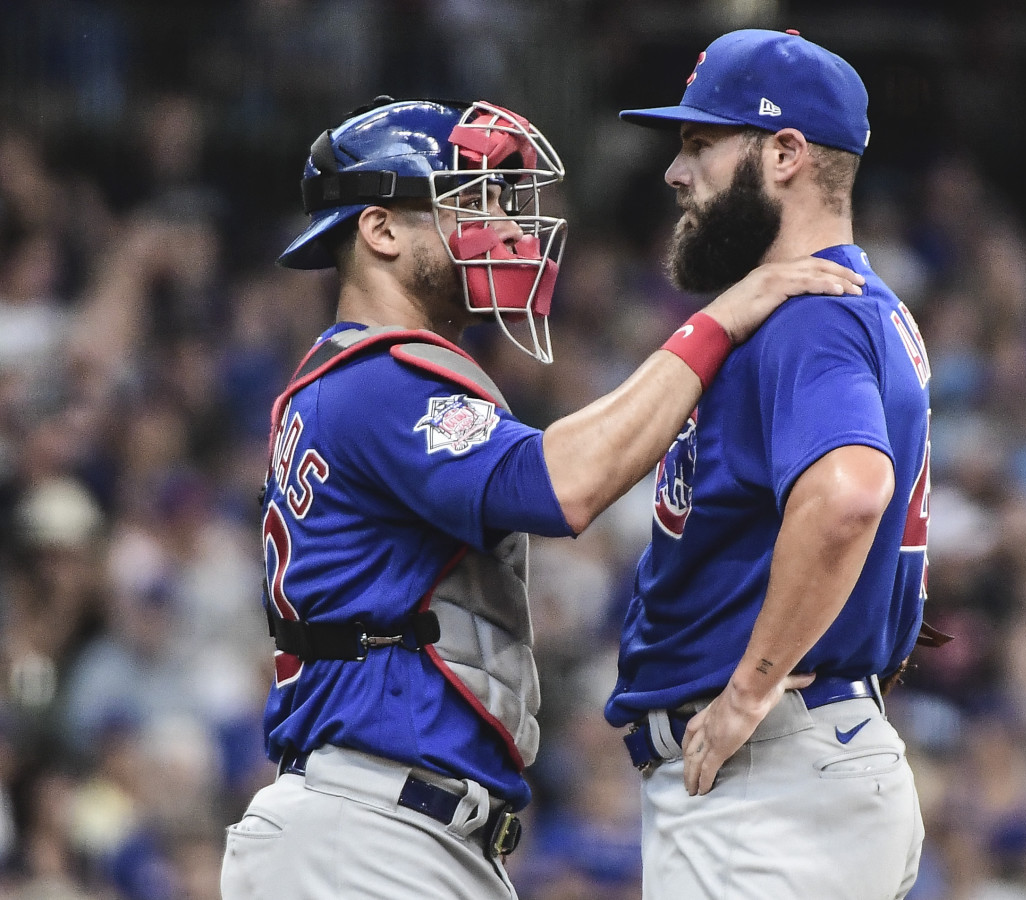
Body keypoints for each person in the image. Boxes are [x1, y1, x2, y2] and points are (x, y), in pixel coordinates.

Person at [218, 95, 866, 900]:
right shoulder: (378, 381)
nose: (504, 227)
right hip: (367, 834)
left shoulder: (359, 377)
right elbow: (567, 485)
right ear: (380, 231)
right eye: (466, 201)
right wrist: (721, 319)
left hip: (392, 829)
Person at [603, 29, 941, 900]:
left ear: (785, 153)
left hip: (773, 777)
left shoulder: (808, 313)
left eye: (700, 143)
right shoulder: (852, 304)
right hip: (810, 761)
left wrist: (750, 692)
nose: (678, 173)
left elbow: (849, 495)